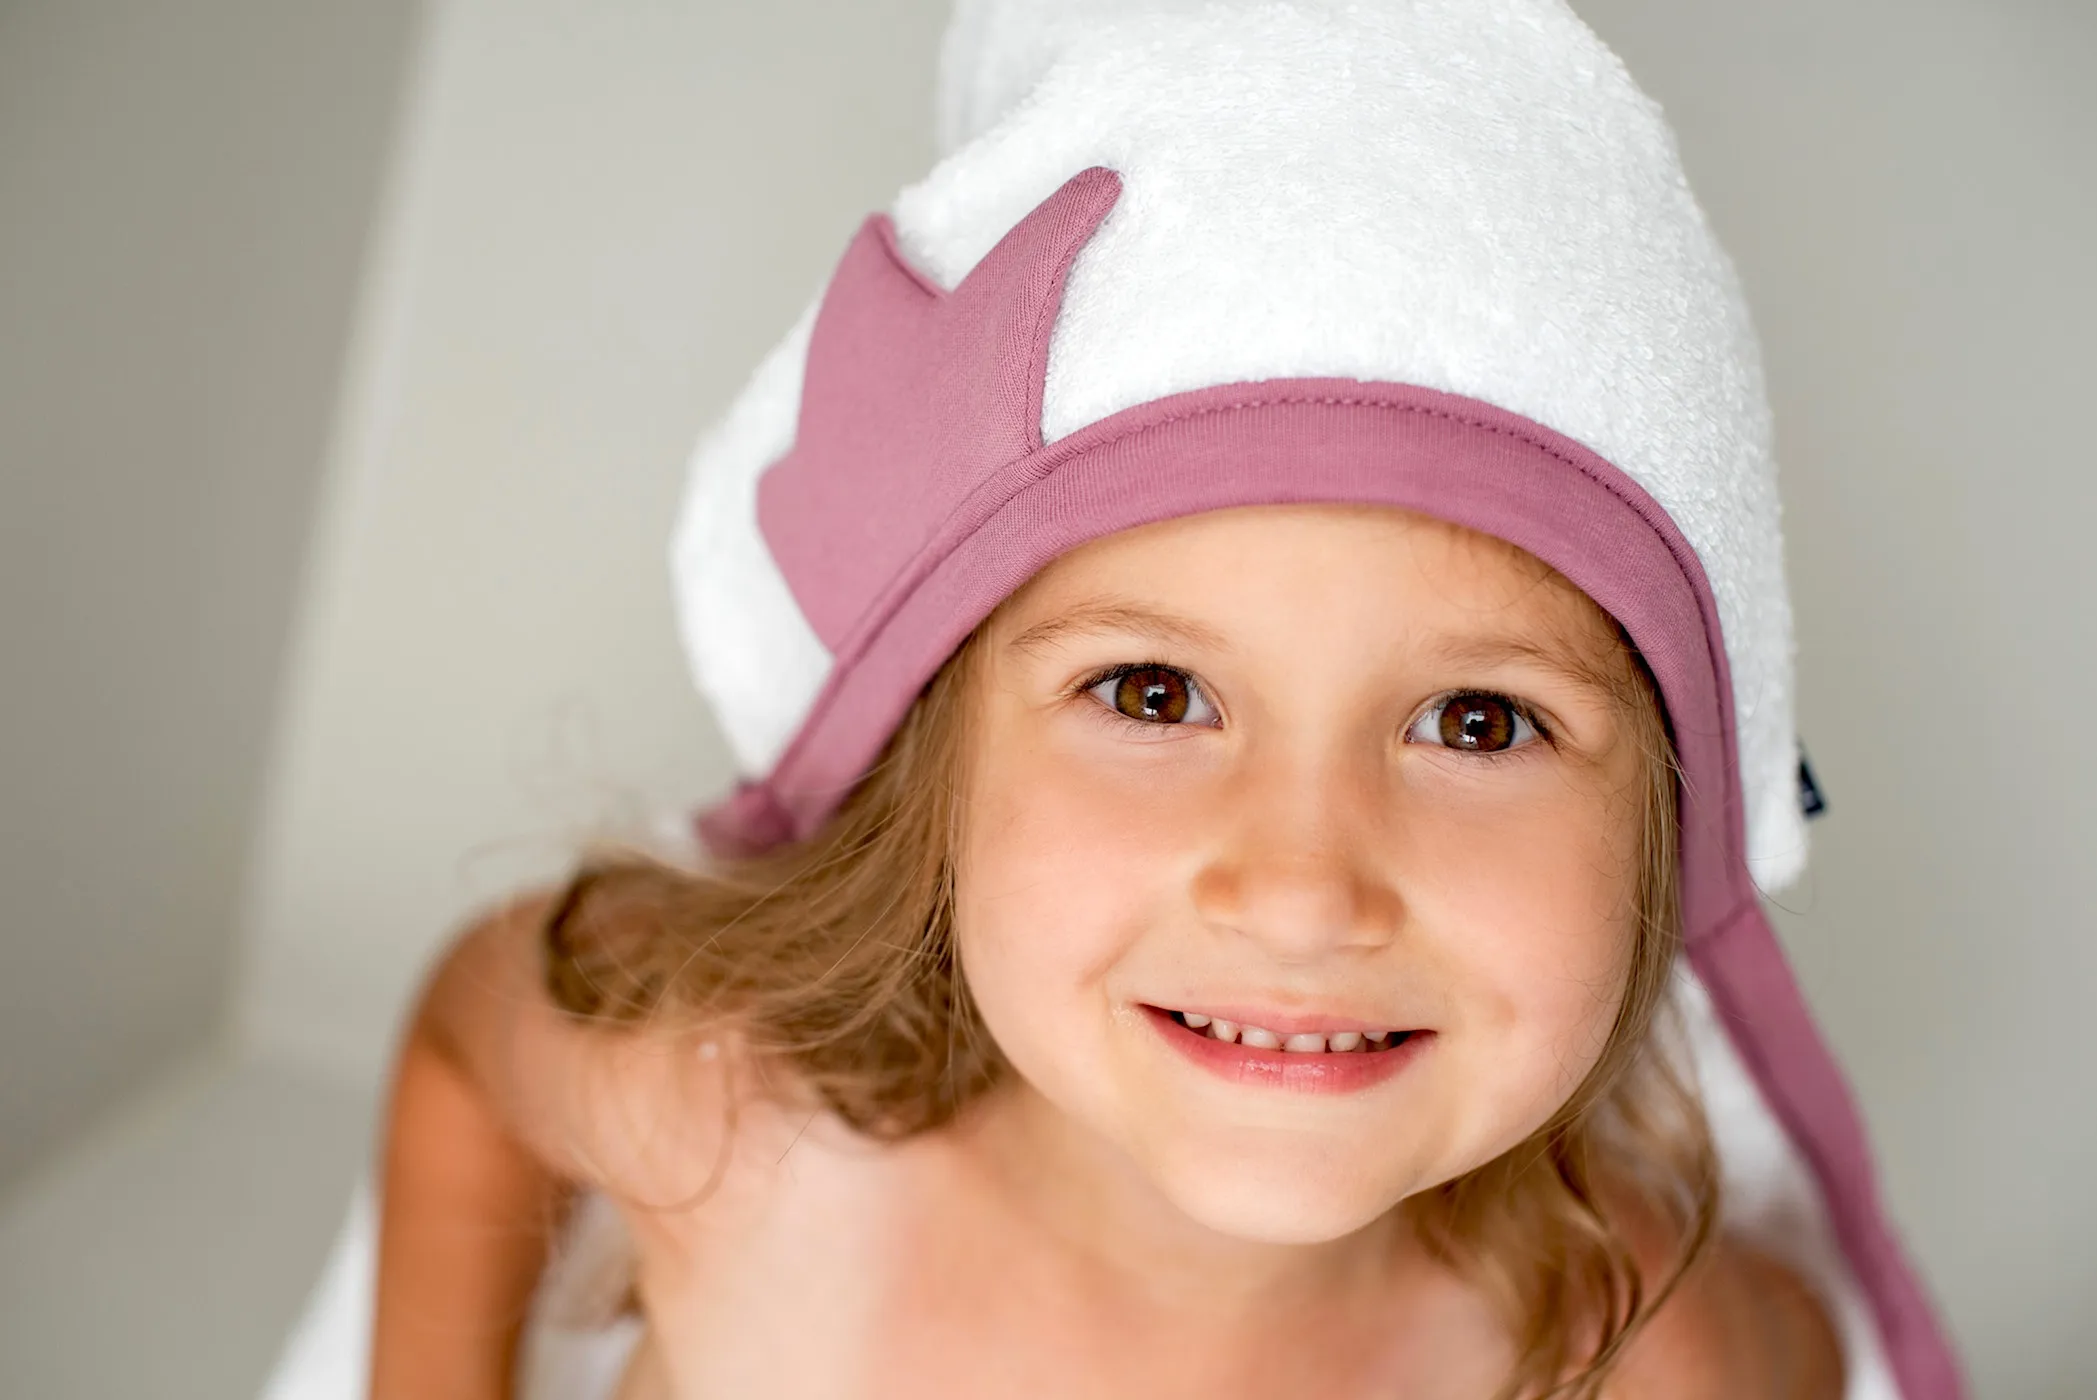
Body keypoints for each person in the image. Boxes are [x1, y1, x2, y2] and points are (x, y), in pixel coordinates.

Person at [365, 2, 1964, 1396]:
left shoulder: (1635, 1344)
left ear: (1665, 828)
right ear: (936, 759)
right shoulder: (725, 1133)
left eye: (1477, 721)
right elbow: (468, 1043)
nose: (1303, 891)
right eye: (1152, 692)